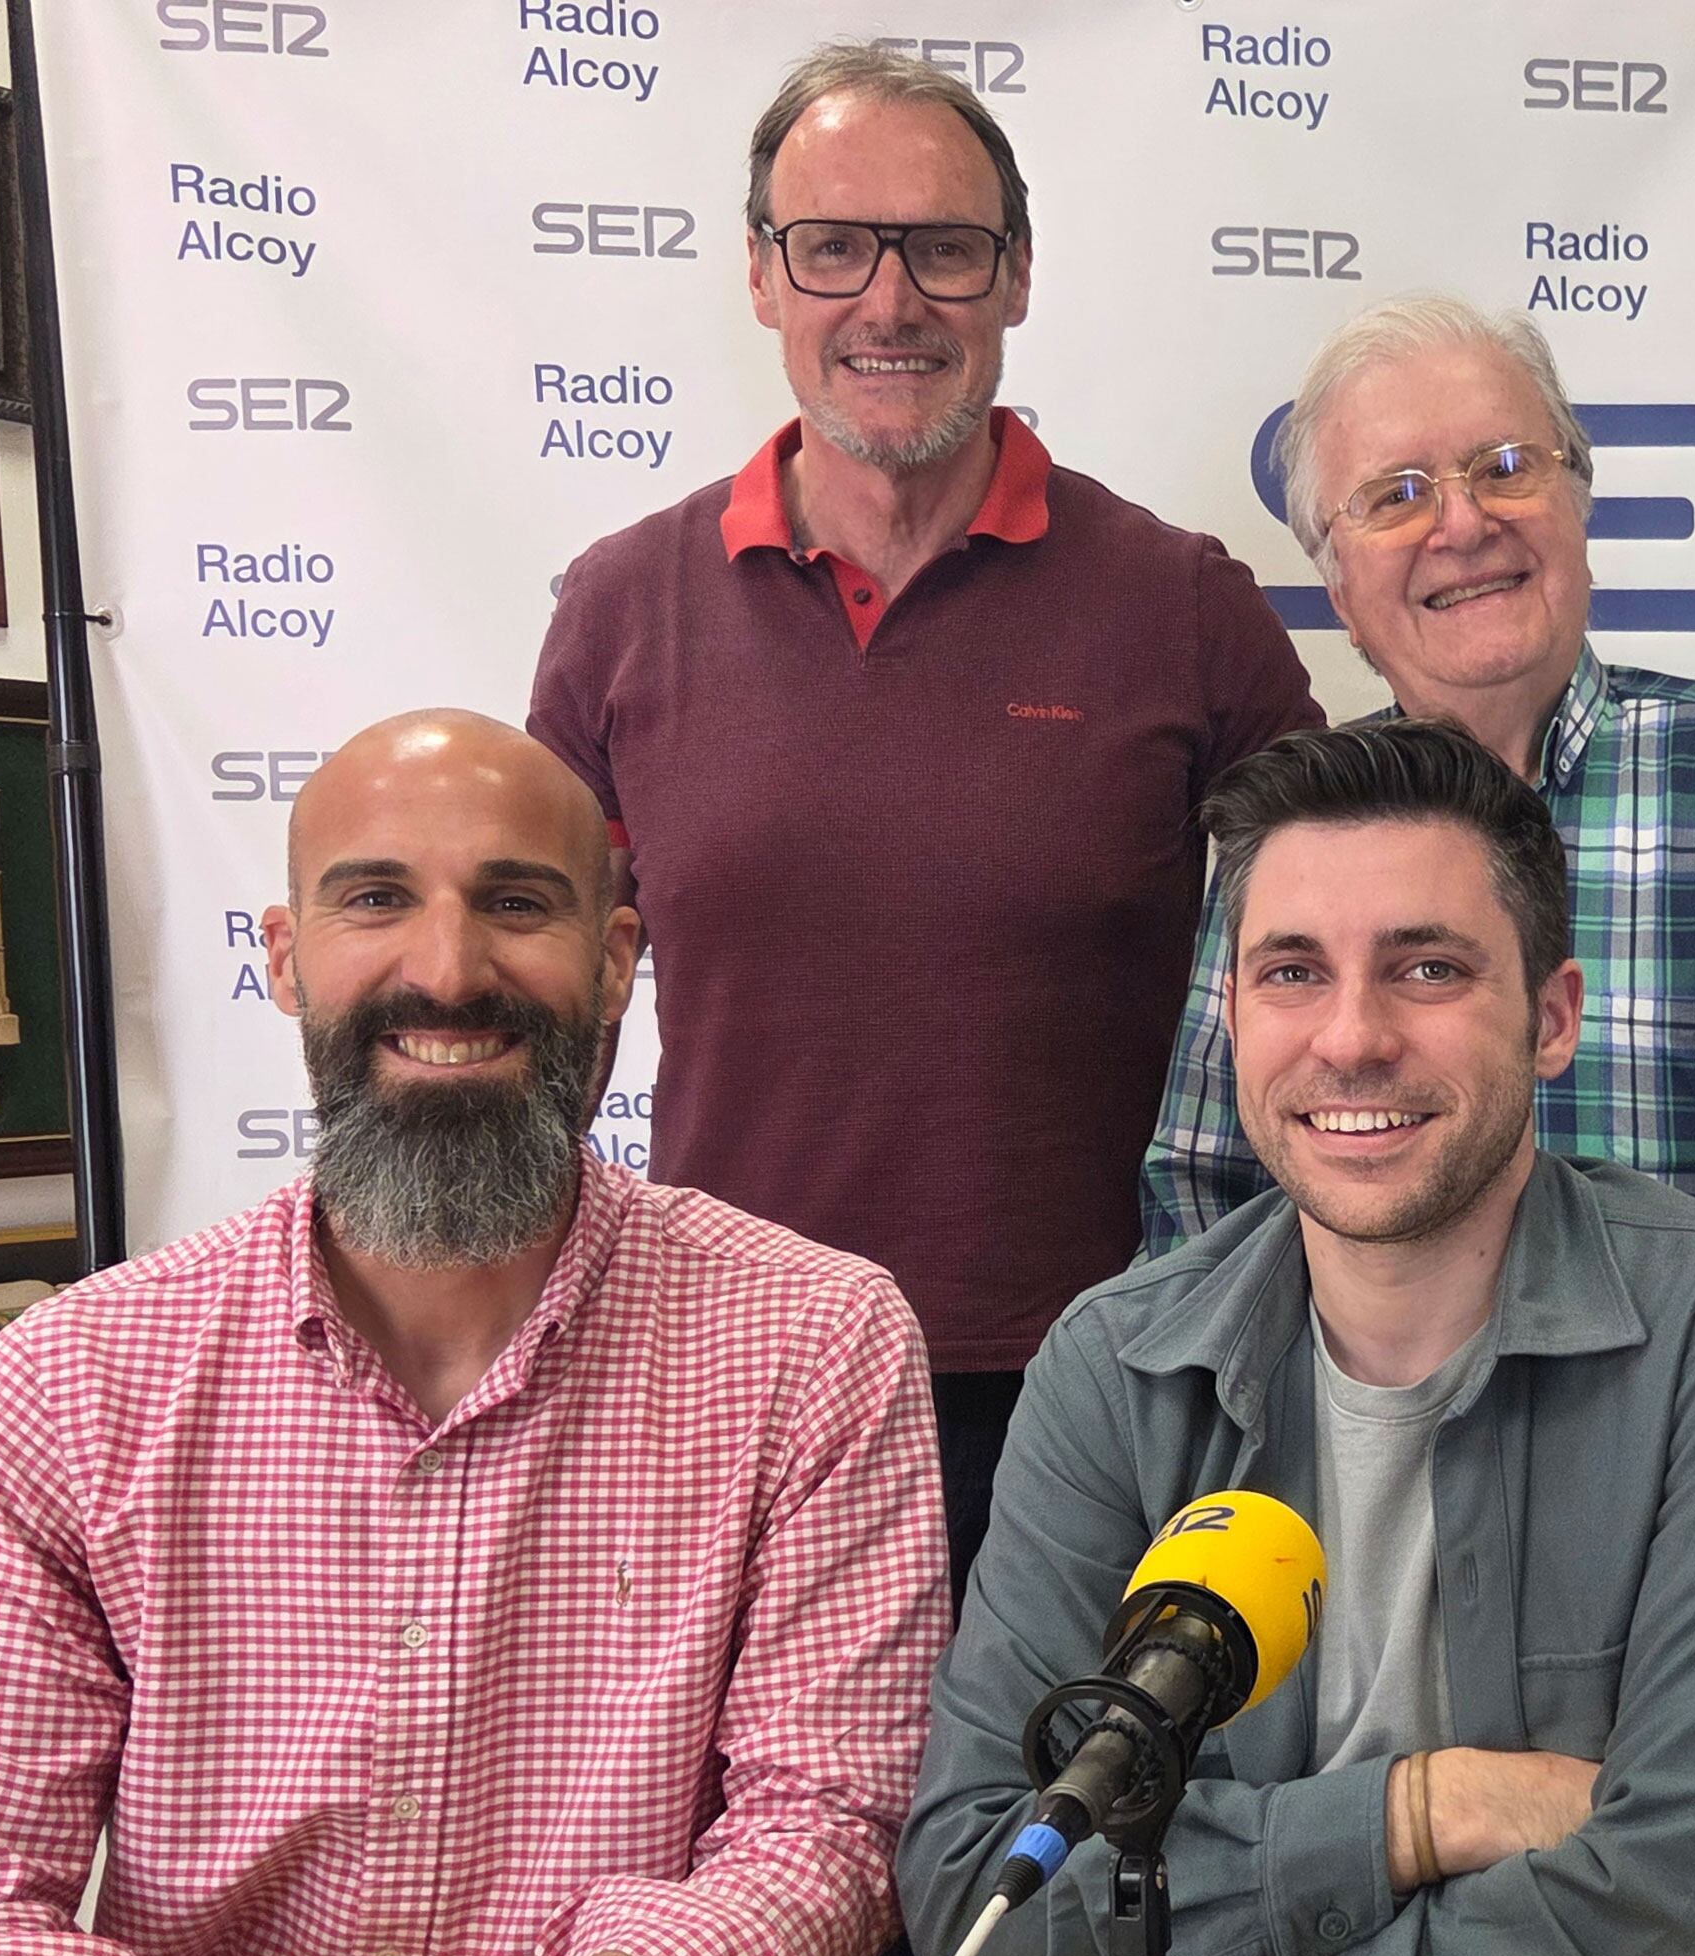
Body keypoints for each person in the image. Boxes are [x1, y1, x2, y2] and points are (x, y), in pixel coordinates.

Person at [0, 712, 947, 1956]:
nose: (449, 968)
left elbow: (827, 1847)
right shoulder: (67, 1385)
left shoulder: (815, 1341)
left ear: (618, 960)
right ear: (281, 956)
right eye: (374, 900)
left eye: (517, 902)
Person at [905, 718, 1695, 1956]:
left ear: (1551, 1018)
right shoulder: (1112, 1363)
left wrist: (1202, 1948)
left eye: (1426, 968)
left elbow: (1686, 1937)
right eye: (1293, 972)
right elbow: (976, 1902)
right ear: (1231, 1017)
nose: (1352, 1039)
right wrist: (1426, 1811)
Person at [529, 42, 1320, 1571]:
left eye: (945, 250)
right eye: (833, 247)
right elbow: (548, 1010)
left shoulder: (1184, 607)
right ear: (762, 278)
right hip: (726, 1379)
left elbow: (1336, 958)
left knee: (1082, 1815)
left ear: (1016, 277)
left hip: (1110, 1395)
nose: (888, 303)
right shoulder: (620, 610)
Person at [1140, 297, 1695, 1629]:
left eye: (1504, 468)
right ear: (1338, 582)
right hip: (1376, 1565)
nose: (1463, 522)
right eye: (1396, 493)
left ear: (1580, 505)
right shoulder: (1279, 843)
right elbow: (1203, 1200)